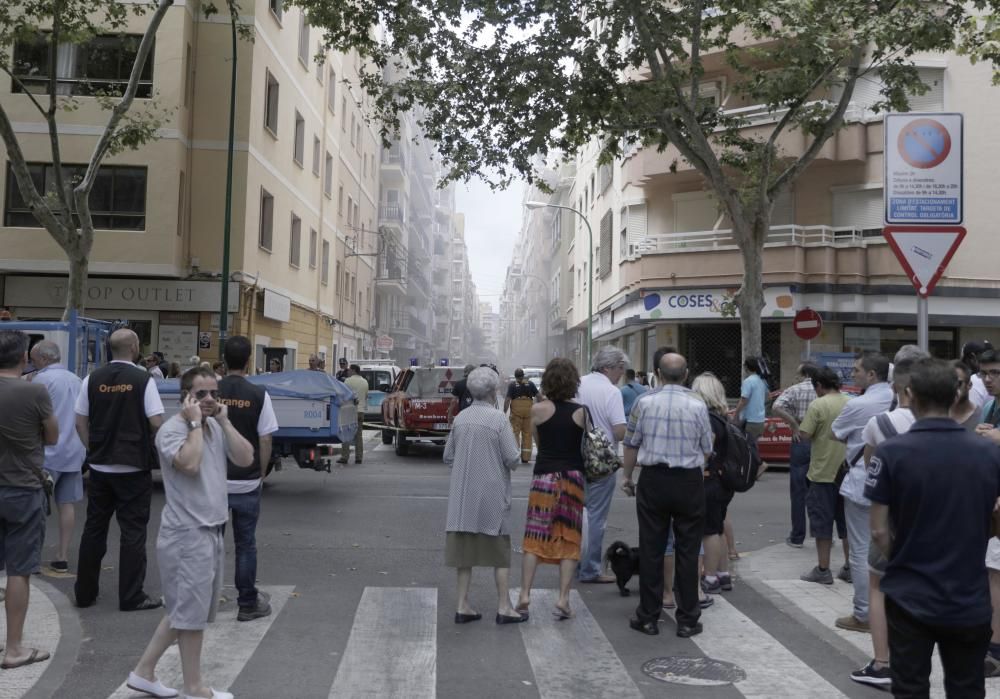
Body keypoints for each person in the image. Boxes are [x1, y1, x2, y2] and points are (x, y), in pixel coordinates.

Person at [867, 358, 1000, 698]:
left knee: (910, 686)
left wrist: (901, 558)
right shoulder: (987, 452)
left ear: (909, 394)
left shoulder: (891, 453)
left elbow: (879, 530)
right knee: (967, 686)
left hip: (910, 591)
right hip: (968, 592)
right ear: (956, 394)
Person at [126, 366, 253, 699]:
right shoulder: (173, 430)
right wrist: (195, 422)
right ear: (186, 396)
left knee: (185, 610)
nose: (209, 399)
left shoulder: (213, 426)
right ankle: (194, 688)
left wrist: (223, 421)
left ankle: (143, 672)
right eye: (201, 394)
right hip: (186, 533)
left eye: (215, 393)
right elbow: (190, 464)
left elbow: (246, 457)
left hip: (210, 531)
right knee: (191, 616)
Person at [622, 352, 713, 637]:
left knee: (651, 548)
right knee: (688, 550)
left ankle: (648, 616)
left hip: (654, 479)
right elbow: (708, 448)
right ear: (686, 375)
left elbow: (631, 443)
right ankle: (687, 619)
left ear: (657, 374)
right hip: (688, 481)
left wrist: (627, 477)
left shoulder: (644, 401)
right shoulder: (698, 404)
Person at [74, 328, 165, 611]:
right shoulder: (143, 379)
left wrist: (94, 449)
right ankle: (131, 596)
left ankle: (85, 593)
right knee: (133, 532)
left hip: (101, 466)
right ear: (135, 348)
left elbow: (80, 422)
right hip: (133, 466)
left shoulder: (92, 379)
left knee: (94, 529)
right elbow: (157, 422)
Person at [849, 356, 923, 688]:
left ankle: (882, 664)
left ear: (897, 388)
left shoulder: (880, 423)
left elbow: (870, 465)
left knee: (878, 586)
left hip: (893, 516)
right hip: (934, 519)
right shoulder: (948, 423)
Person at [443, 367, 525, 625]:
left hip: (463, 497)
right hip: (491, 496)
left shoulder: (461, 419)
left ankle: (462, 605)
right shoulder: (498, 420)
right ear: (493, 392)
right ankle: (504, 607)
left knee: (464, 555)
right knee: (499, 553)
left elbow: (448, 457)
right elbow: (512, 458)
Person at [0, 330, 58, 670]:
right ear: (24, 358)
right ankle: (15, 648)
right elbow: (52, 436)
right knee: (19, 571)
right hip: (22, 487)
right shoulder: (35, 391)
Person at [516, 358, 587, 621]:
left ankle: (524, 594)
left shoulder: (537, 410)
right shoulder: (582, 412)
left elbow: (538, 443)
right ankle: (563, 599)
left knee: (535, 535)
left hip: (544, 477)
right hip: (572, 478)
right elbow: (583, 448)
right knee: (569, 537)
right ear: (573, 383)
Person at [218, 336, 278, 622]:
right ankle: (246, 603)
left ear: (224, 359)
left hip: (214, 482)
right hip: (247, 480)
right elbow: (265, 438)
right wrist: (261, 472)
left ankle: (206, 601)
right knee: (245, 544)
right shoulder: (259, 394)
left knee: (210, 543)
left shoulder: (209, 392)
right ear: (249, 359)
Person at [832, 352, 894, 630]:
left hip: (862, 482)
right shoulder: (902, 401)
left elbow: (836, 433)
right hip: (899, 486)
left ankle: (864, 613)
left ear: (872, 375)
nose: (852, 374)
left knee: (859, 551)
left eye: (856, 370)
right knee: (893, 546)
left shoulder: (859, 404)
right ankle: (892, 608)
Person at [30, 341, 86, 573]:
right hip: (74, 451)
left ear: (42, 359)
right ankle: (62, 555)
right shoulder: (76, 379)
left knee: (36, 508)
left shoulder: (41, 380)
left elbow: (34, 417)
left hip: (47, 453)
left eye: (34, 360)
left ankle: (32, 557)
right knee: (67, 504)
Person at [576, 346, 628, 584]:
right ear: (608, 368)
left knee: (579, 515)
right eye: (620, 368)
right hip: (601, 462)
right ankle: (591, 569)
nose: (621, 373)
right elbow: (619, 431)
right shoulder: (611, 391)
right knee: (596, 517)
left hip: (575, 457)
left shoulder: (578, 383)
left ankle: (576, 563)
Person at [798, 367, 851, 586]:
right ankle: (849, 567)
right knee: (847, 525)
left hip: (822, 473)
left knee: (822, 524)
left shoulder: (818, 404)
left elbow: (804, 434)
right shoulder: (852, 401)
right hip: (848, 472)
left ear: (819, 386)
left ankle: (823, 569)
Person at [692, 372, 736, 595]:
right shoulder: (723, 417)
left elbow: (705, 451)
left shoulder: (707, 419)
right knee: (717, 528)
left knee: (709, 531)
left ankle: (709, 577)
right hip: (722, 481)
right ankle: (723, 574)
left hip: (709, 479)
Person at [771, 362, 821, 549]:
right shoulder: (822, 388)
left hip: (800, 437)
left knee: (798, 491)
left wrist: (793, 425)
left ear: (805, 374)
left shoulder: (795, 390)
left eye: (799, 374)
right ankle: (822, 534)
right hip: (820, 440)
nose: (797, 377)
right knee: (820, 489)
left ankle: (797, 536)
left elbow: (777, 407)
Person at [504, 368, 539, 463]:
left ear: (515, 376)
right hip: (528, 411)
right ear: (523, 375)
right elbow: (538, 396)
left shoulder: (512, 385)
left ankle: (515, 456)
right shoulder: (530, 384)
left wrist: (504, 412)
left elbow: (507, 399)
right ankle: (526, 457)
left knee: (515, 433)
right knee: (527, 433)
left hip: (516, 412)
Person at [733, 357, 768, 445]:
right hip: (760, 420)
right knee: (754, 446)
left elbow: (744, 400)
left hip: (749, 421)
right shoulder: (762, 381)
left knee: (746, 446)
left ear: (746, 367)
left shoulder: (748, 381)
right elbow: (769, 397)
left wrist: (736, 414)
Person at [339, 364, 368, 465]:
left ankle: (344, 457)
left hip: (349, 411)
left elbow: (344, 395)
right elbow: (365, 396)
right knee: (358, 435)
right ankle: (358, 458)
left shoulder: (347, 381)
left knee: (346, 433)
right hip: (360, 411)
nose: (348, 372)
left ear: (354, 370)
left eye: (350, 370)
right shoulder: (365, 382)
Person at [962, 340, 993, 410]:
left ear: (973, 358)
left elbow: (973, 415)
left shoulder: (973, 381)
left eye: (965, 360)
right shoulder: (995, 377)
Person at [951, 361, 982, 431]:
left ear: (969, 385)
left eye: (958, 384)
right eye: (948, 382)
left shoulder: (982, 416)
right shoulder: (937, 415)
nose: (953, 388)